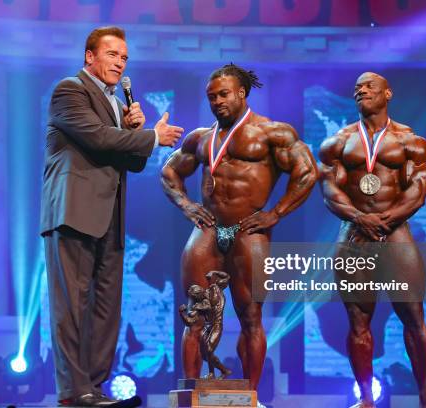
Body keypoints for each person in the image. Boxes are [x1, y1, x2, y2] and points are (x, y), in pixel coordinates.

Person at [40, 26, 183, 407]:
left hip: (110, 218)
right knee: (71, 306)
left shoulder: (116, 106)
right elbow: (98, 140)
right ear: (90, 56)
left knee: (106, 307)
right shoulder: (70, 91)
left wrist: (134, 130)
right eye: (112, 54)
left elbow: (131, 163)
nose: (119, 63)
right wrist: (151, 136)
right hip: (72, 213)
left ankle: (95, 387)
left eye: (124, 58)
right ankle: (74, 392)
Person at [161, 64, 318, 395]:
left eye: (223, 94)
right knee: (194, 314)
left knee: (250, 316)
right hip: (208, 227)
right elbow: (169, 172)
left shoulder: (272, 132)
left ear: (242, 93)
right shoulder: (201, 138)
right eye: (211, 96)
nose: (217, 101)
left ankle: (251, 396)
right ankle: (190, 393)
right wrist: (187, 205)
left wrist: (276, 212)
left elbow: (307, 172)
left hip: (250, 229)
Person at [319, 72, 426, 408]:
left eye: (368, 86)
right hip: (354, 234)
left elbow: (418, 192)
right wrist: (361, 218)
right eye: (356, 87)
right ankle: (366, 401)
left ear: (387, 94)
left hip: (396, 233)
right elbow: (329, 192)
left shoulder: (410, 141)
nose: (360, 89)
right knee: (358, 320)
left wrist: (384, 220)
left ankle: (425, 398)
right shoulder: (339, 143)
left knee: (414, 316)